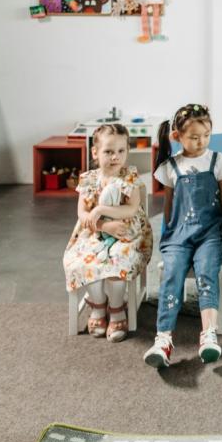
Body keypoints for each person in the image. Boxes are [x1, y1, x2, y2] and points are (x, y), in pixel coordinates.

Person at [143, 103, 222, 368]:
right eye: (194, 137)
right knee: (172, 275)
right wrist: (167, 236)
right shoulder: (171, 167)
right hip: (178, 237)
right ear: (178, 137)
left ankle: (208, 335)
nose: (201, 142)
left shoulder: (218, 161)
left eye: (206, 135)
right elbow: (169, 205)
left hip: (209, 235)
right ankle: (163, 339)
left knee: (207, 273)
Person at [63, 124, 153, 342]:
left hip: (127, 233)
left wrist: (101, 210)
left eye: (121, 151)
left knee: (118, 260)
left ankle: (116, 308)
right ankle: (98, 306)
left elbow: (131, 208)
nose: (115, 157)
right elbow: (83, 214)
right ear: (95, 153)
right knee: (85, 262)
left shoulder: (129, 177)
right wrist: (104, 225)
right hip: (94, 234)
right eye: (109, 152)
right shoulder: (89, 180)